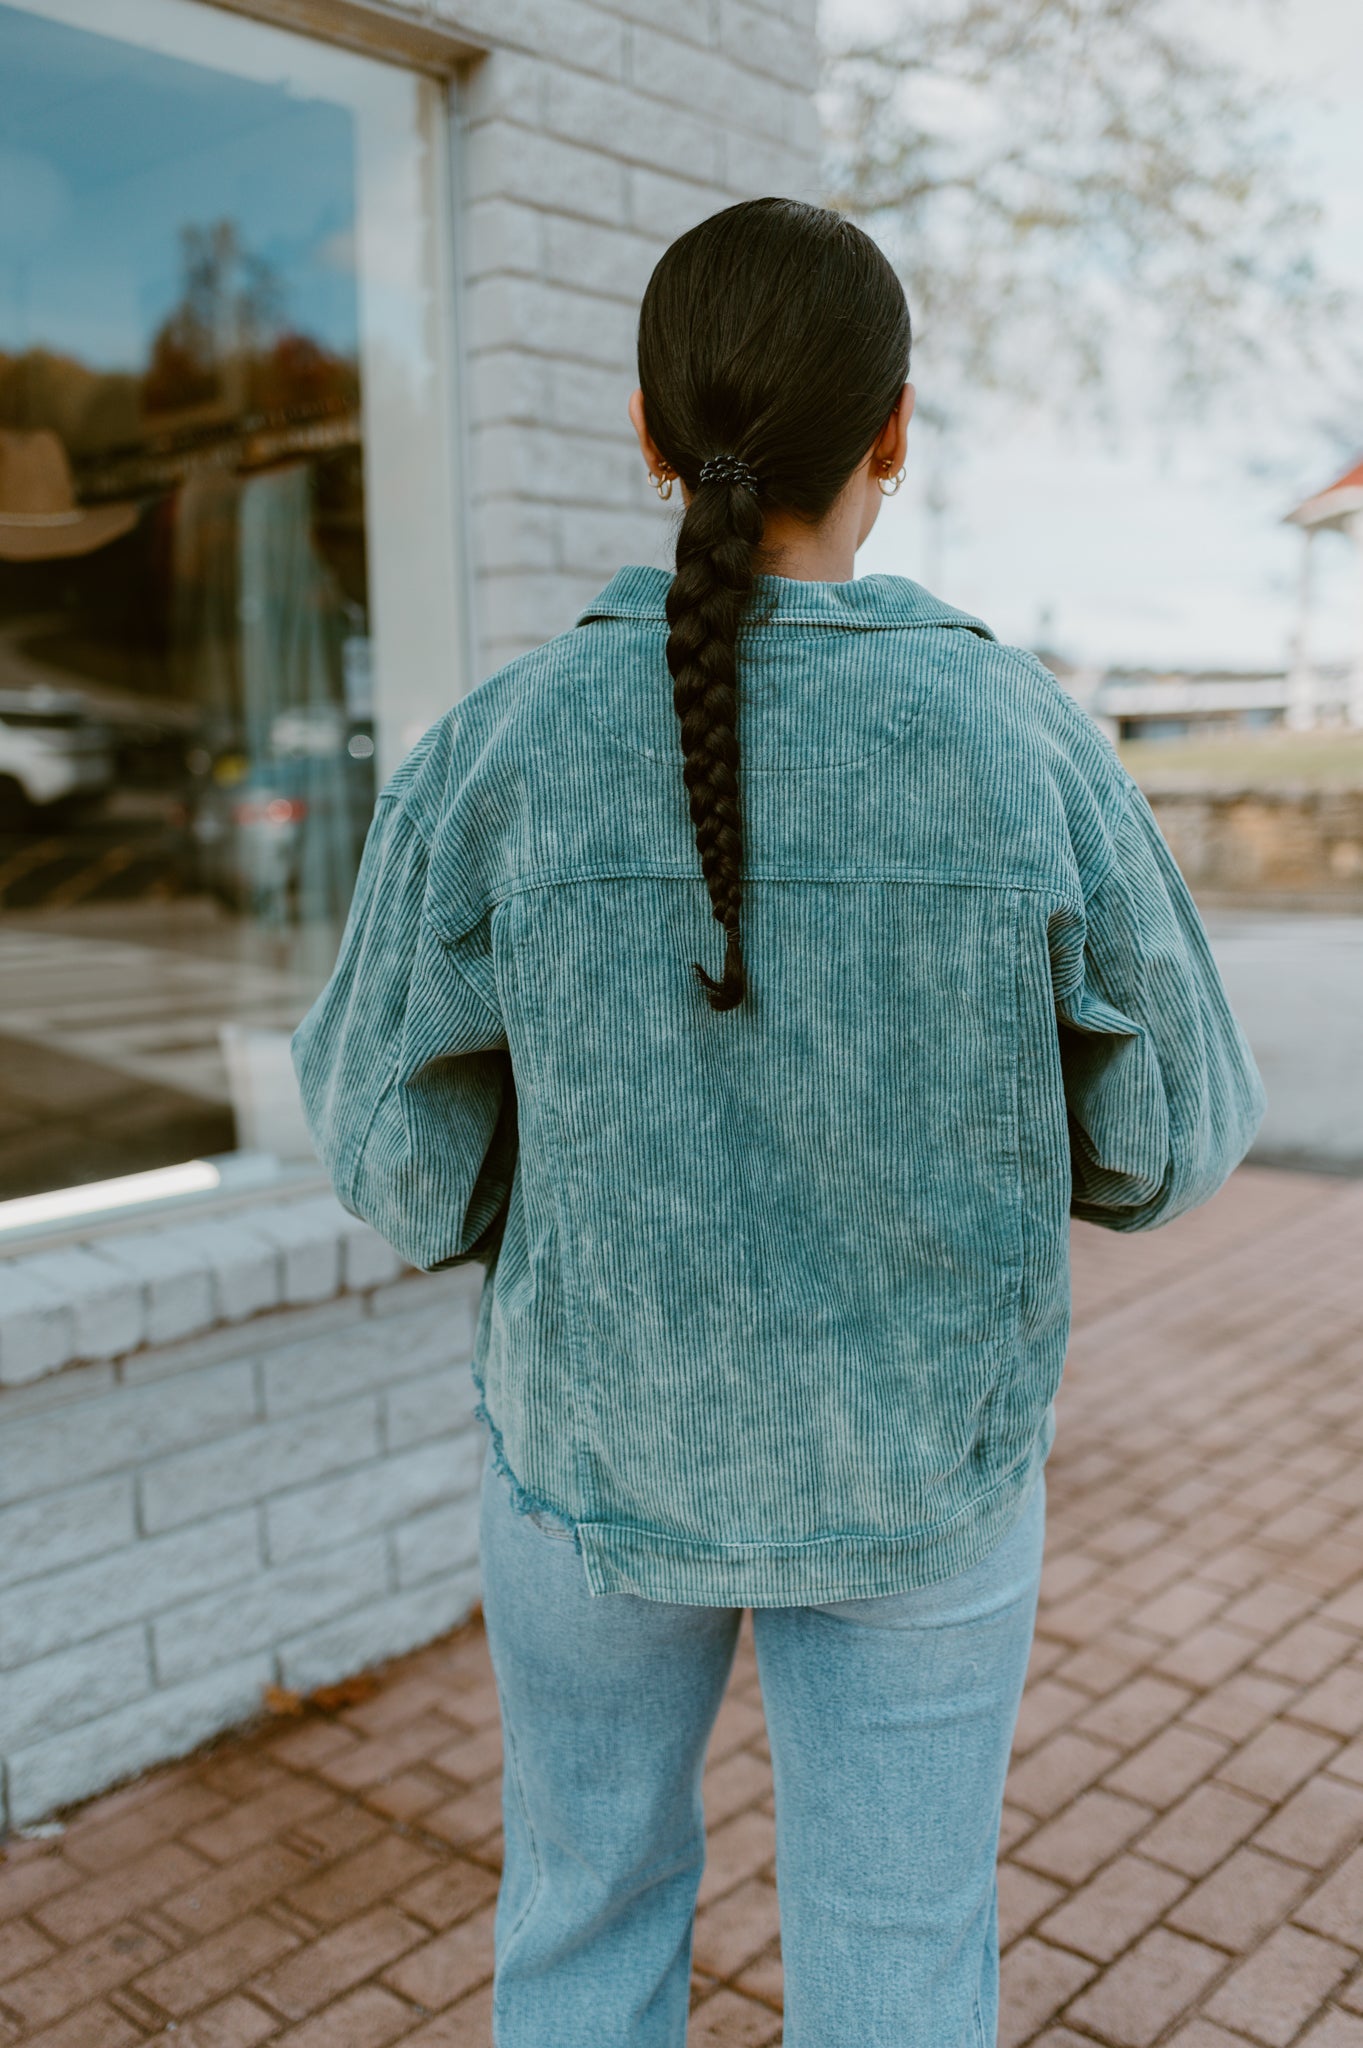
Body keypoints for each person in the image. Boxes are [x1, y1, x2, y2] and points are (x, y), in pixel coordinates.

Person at [292, 196, 1266, 2048]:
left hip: (590, 1453)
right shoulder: (1025, 741)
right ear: (894, 433)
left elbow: (395, 1154)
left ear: (651, 438)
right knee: (899, 1961)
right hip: (926, 1473)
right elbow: (1175, 1136)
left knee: (585, 1912)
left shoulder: (501, 750)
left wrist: (559, 1196)